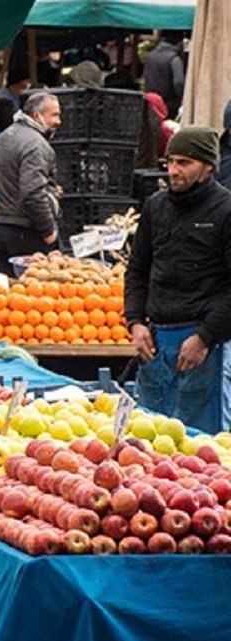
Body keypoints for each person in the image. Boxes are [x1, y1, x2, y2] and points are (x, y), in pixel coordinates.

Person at [125, 127, 231, 433]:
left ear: (207, 165)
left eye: (184, 163)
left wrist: (205, 338)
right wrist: (135, 322)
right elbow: (137, 269)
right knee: (149, 439)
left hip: (203, 345)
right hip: (156, 342)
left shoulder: (225, 210)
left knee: (199, 443)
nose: (174, 171)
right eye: (170, 161)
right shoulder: (156, 206)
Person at [0, 92, 63, 276]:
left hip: (2, 230)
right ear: (37, 116)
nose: (59, 121)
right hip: (27, 233)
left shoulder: (1, 139)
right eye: (55, 115)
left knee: (12, 297)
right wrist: (48, 230)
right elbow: (32, 193)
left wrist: (50, 189)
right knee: (35, 298)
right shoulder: (36, 145)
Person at [144, 32, 186, 119]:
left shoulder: (150, 56)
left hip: (150, 100)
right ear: (179, 43)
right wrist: (181, 97)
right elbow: (179, 82)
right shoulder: (175, 59)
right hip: (169, 103)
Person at [0, 65, 30, 130]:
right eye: (26, 82)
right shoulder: (3, 100)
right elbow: (7, 125)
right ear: (18, 82)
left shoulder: (13, 95)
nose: (28, 85)